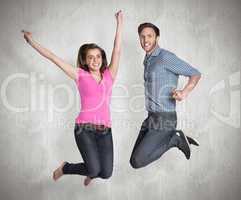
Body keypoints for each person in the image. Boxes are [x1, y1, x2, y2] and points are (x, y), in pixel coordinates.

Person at [22, 10, 123, 186]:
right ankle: (66, 168)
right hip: (84, 129)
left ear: (102, 58)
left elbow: (117, 49)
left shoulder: (110, 75)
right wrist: (31, 42)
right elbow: (53, 57)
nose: (95, 60)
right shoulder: (79, 75)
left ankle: (92, 172)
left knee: (106, 173)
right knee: (93, 169)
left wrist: (120, 23)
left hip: (105, 130)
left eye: (98, 56)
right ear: (84, 60)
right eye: (90, 57)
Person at [130, 22, 201, 169]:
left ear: (157, 37)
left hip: (164, 119)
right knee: (133, 161)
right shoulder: (148, 59)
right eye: (142, 37)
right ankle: (175, 138)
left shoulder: (165, 57)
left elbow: (195, 73)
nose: (145, 40)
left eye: (149, 36)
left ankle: (175, 139)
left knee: (138, 161)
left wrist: (184, 92)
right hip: (151, 117)